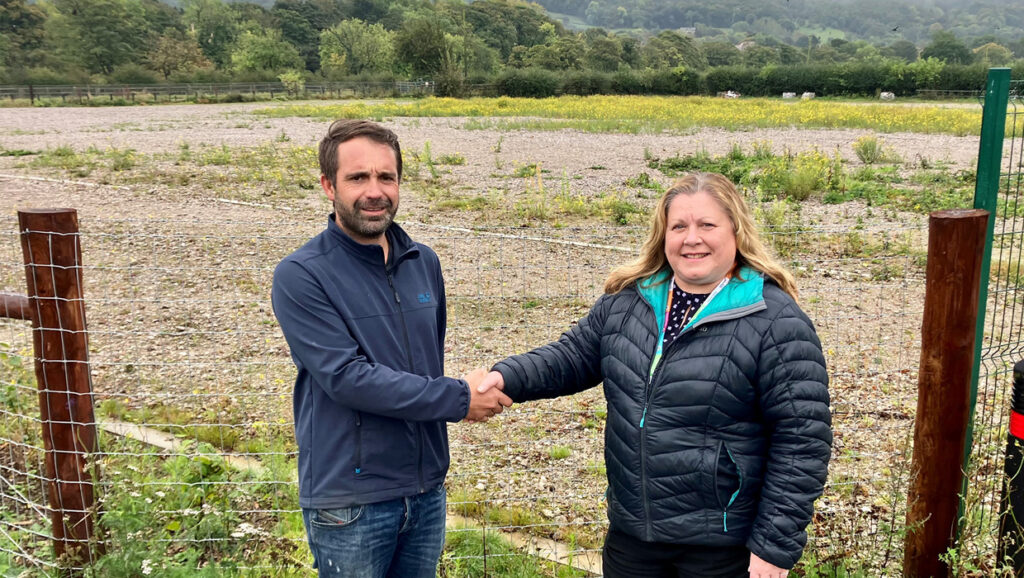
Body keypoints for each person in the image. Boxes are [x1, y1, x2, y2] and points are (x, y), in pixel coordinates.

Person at [476, 172, 831, 578]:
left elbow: (802, 441)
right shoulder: (629, 301)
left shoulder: (776, 320)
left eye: (707, 225)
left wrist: (774, 547)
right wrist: (505, 377)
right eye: (678, 226)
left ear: (736, 231)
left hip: (721, 546)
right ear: (663, 235)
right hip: (634, 536)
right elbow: (570, 357)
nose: (691, 238)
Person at [271, 119, 511, 578]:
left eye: (387, 176)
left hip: (425, 491)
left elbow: (425, 359)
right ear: (328, 185)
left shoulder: (423, 262)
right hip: (351, 501)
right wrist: (461, 398)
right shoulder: (302, 275)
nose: (375, 191)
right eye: (358, 177)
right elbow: (347, 378)